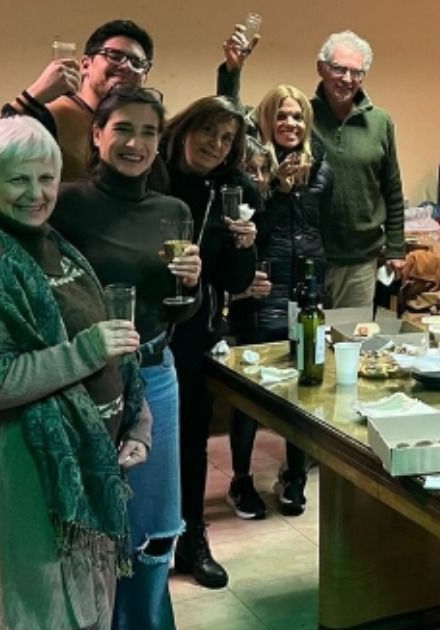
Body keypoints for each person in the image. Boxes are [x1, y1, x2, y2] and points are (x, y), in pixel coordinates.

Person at [0, 116, 150, 630]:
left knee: (90, 621)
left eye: (47, 178)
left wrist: (133, 425)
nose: (37, 193)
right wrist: (83, 353)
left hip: (86, 471)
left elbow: (106, 339)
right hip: (30, 479)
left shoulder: (48, 242)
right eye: (18, 180)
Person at [49, 86, 200, 630]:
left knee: (154, 534)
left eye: (148, 132)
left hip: (156, 374)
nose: (136, 143)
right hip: (83, 385)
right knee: (92, 533)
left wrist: (189, 287)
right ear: (97, 134)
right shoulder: (62, 204)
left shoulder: (172, 211)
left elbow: (176, 310)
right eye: (123, 129)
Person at [160, 95, 261, 589]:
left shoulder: (231, 190)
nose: (216, 146)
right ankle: (143, 544)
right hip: (141, 329)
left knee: (192, 437)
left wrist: (246, 244)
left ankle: (192, 538)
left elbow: (233, 278)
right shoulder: (151, 175)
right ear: (184, 127)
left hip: (194, 334)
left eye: (227, 139)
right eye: (209, 132)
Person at [226, 84, 333, 521]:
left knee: (301, 385)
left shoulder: (321, 165)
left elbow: (320, 221)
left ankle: (294, 476)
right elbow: (255, 228)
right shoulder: (250, 167)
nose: (291, 124)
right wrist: (279, 189)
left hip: (306, 284)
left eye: (298, 116)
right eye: (282, 116)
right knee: (251, 390)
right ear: (268, 120)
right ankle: (241, 479)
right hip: (262, 284)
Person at [0, 20, 156, 189]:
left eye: (138, 63)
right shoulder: (52, 117)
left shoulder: (145, 132)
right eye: (114, 55)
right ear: (86, 64)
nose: (126, 67)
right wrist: (31, 98)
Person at [311, 30, 406, 309]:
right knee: (307, 342)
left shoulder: (380, 122)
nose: (348, 79)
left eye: (357, 72)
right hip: (310, 256)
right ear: (321, 68)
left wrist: (396, 247)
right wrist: (232, 72)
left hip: (361, 259)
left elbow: (392, 189)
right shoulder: (301, 115)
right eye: (339, 69)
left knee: (350, 342)